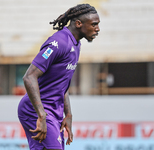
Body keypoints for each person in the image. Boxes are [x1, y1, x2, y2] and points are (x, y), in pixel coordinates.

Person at [18, 3, 100, 150]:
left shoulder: (76, 45)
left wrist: (68, 114)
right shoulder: (58, 43)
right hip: (36, 110)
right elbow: (29, 77)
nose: (98, 29)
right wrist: (41, 115)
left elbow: (62, 84)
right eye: (94, 24)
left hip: (54, 112)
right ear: (79, 23)